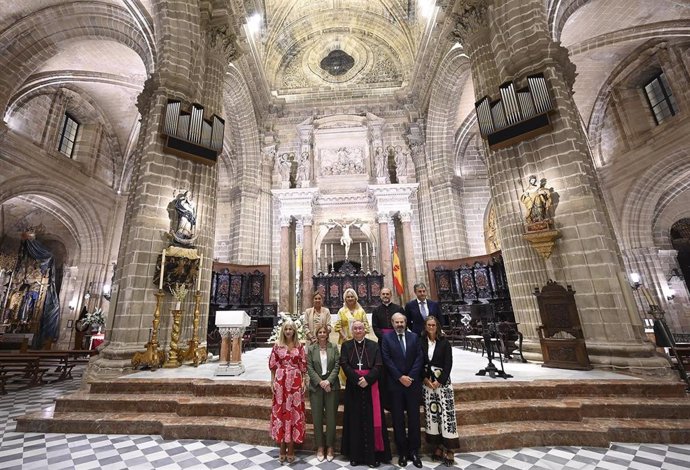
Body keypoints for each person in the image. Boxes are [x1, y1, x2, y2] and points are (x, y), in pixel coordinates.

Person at [340, 320, 392, 467]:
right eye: (355, 328)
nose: (358, 331)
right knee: (354, 420)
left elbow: (379, 365)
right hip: (354, 387)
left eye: (360, 328)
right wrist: (357, 379)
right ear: (352, 331)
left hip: (371, 387)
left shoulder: (374, 345)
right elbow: (344, 363)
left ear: (365, 330)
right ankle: (355, 455)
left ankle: (373, 454)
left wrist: (368, 379)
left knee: (371, 421)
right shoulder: (346, 345)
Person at [381, 313, 424, 468]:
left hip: (412, 385)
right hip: (395, 385)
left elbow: (420, 358)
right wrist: (400, 377)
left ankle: (414, 451)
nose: (399, 324)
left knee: (414, 419)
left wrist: (410, 377)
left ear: (406, 323)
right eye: (397, 322)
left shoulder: (414, 337)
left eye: (402, 322)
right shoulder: (387, 339)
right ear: (392, 323)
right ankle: (402, 452)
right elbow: (386, 359)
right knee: (398, 420)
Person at [420, 316, 459, 467]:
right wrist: (425, 379)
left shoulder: (444, 342)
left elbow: (448, 363)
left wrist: (439, 380)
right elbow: (419, 360)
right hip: (428, 383)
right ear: (425, 326)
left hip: (442, 382)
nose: (431, 327)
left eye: (433, 325)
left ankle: (449, 448)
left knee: (447, 414)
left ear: (437, 326)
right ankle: (437, 446)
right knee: (432, 414)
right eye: (428, 325)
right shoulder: (421, 342)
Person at [269, 320, 307, 463]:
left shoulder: (299, 346)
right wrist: (272, 381)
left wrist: (303, 380)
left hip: (295, 381)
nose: (288, 331)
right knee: (281, 411)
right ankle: (282, 445)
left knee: (294, 411)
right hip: (280, 381)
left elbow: (303, 365)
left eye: (291, 329)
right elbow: (272, 365)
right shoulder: (277, 346)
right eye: (286, 329)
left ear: (295, 331)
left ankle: (291, 445)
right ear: (283, 331)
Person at [306, 325, 340, 462]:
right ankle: (320, 446)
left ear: (327, 334)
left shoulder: (334, 347)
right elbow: (309, 367)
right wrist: (320, 382)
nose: (321, 334)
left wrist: (329, 381)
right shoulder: (311, 349)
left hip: (331, 387)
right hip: (316, 387)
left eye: (324, 332)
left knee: (331, 418)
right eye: (319, 332)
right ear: (317, 334)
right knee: (317, 417)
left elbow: (337, 365)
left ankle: (330, 446)